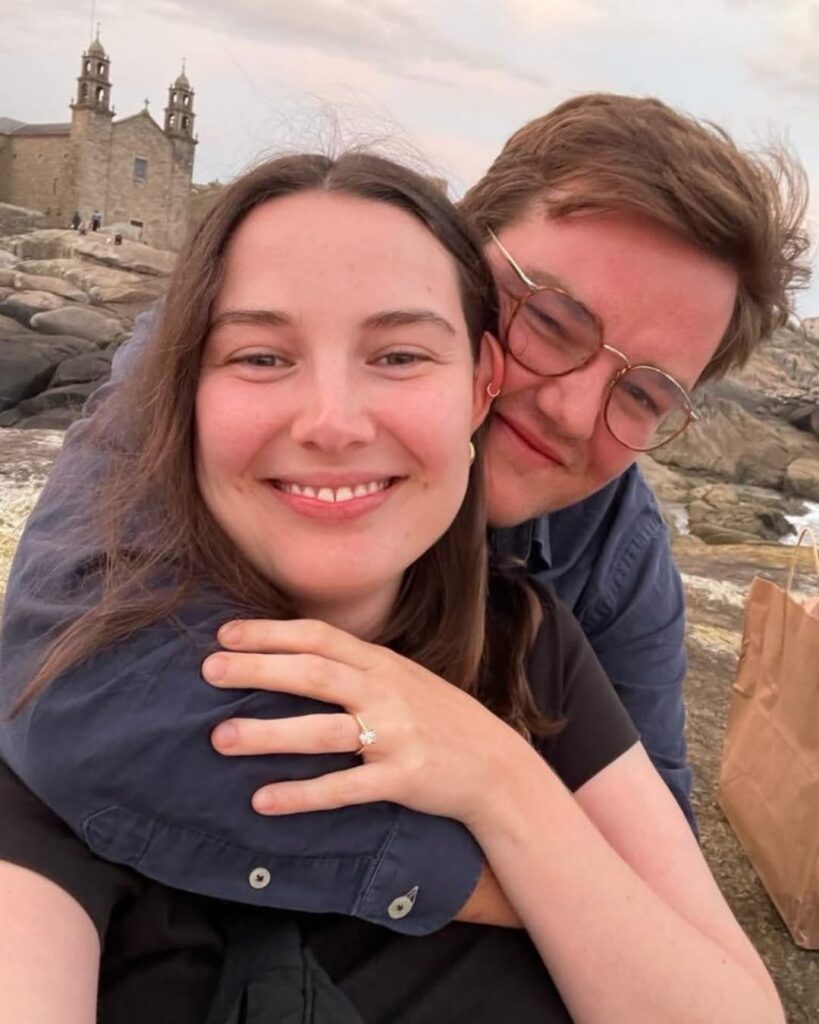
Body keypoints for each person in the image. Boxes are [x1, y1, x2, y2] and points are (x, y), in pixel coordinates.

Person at [0, 149, 784, 1024]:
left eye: (644, 394)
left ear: (476, 379)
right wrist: (531, 877)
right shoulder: (96, 690)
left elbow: (673, 912)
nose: (332, 422)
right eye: (552, 320)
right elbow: (59, 682)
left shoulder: (553, 622)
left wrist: (505, 782)